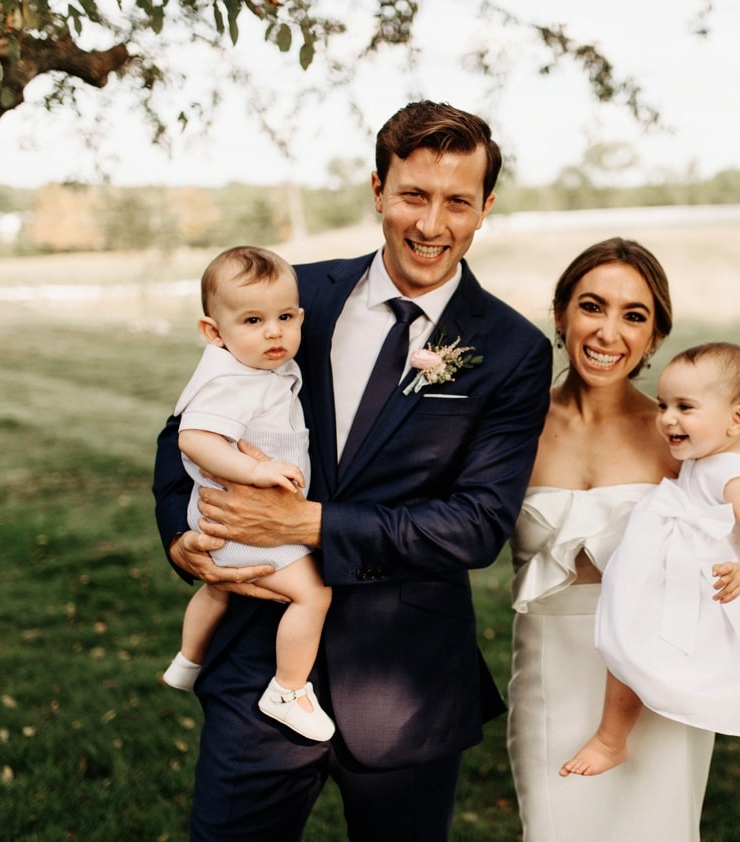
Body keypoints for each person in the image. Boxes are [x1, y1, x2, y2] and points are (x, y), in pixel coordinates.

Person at [151, 101, 553, 840]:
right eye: (413, 195)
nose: (432, 224)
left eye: (457, 201)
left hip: (408, 683)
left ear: (485, 208)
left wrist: (311, 523)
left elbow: (477, 525)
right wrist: (183, 534)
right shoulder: (288, 300)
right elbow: (185, 432)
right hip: (257, 656)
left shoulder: (512, 349)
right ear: (377, 191)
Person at [506, 237, 714, 840]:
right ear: (561, 314)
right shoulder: (514, 429)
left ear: (654, 338)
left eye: (634, 316)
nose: (608, 332)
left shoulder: (677, 438)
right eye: (592, 307)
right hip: (549, 670)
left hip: (658, 679)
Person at [563, 342, 740, 776]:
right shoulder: (714, 452)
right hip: (677, 566)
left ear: (738, 419)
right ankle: (619, 732)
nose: (668, 418)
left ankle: (611, 738)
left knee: (631, 642)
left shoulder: (733, 474)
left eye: (685, 407)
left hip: (702, 579)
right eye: (664, 404)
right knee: (628, 641)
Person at [162, 245, 335, 743]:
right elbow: (192, 438)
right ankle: (287, 689)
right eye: (254, 320)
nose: (274, 332)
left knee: (216, 588)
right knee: (312, 594)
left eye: (284, 317)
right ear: (214, 333)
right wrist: (255, 474)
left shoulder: (258, 368)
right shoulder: (233, 378)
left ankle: (188, 660)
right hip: (245, 517)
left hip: (221, 517)